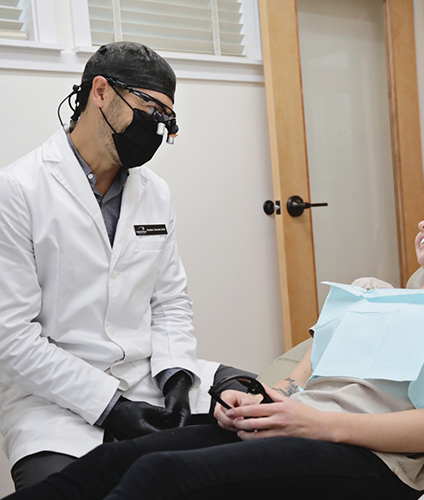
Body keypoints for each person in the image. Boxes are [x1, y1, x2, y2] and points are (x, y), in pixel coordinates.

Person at [3, 191, 424, 500]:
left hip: (369, 460)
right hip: (288, 428)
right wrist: (252, 400)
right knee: (114, 459)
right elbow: (296, 381)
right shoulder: (369, 294)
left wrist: (319, 424)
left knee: (160, 476)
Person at [0, 41, 254, 491]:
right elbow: (12, 337)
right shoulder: (18, 190)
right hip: (53, 400)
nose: (157, 127)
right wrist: (110, 406)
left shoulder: (154, 192)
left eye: (167, 119)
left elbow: (170, 300)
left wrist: (176, 372)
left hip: (145, 381)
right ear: (100, 92)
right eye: (150, 107)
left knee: (253, 431)